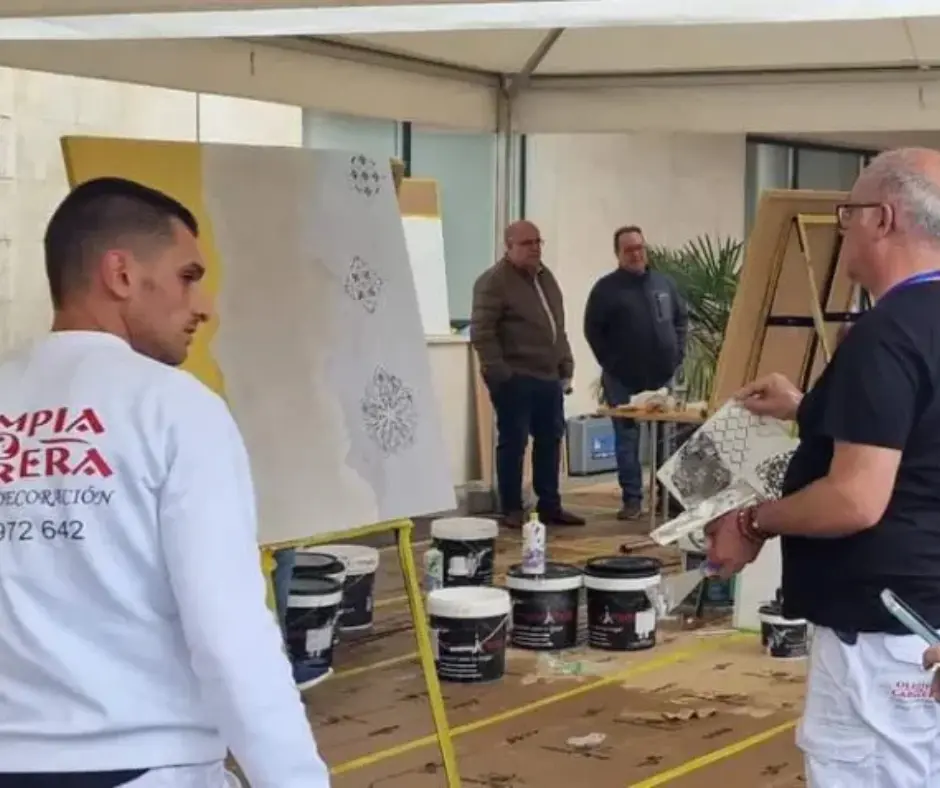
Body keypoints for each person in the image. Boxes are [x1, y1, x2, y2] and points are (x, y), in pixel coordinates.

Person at [0, 177, 330, 787]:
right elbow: (229, 634)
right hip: (142, 762)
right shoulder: (174, 408)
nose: (205, 305)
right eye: (187, 276)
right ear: (121, 274)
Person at [705, 148, 940, 786]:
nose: (844, 227)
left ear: (883, 218)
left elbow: (854, 499)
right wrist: (810, 407)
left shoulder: (887, 333)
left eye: (849, 212)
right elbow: (917, 435)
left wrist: (753, 522)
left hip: (883, 631)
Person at [470, 220, 585, 529]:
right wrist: (500, 372)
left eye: (538, 242)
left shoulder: (546, 278)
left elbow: (557, 327)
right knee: (514, 441)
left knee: (550, 440)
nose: (534, 248)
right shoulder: (494, 282)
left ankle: (549, 505)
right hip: (515, 376)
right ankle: (511, 508)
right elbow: (482, 332)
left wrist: (566, 364)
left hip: (547, 376)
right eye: (526, 243)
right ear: (508, 247)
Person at [583, 225, 688, 520]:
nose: (636, 254)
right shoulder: (606, 289)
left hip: (662, 375)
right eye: (629, 249)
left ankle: (666, 499)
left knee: (666, 439)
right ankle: (632, 500)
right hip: (622, 378)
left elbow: (681, 320)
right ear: (618, 254)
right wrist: (612, 363)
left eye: (640, 247)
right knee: (626, 440)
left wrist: (677, 354)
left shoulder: (664, 284)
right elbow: (593, 331)